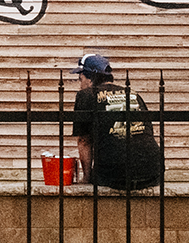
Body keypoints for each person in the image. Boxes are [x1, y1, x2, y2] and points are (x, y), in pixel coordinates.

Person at [69, 53, 162, 191]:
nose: (80, 84)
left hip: (114, 175)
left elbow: (84, 141)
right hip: (152, 173)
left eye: (80, 78)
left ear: (89, 78)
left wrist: (87, 179)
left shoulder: (86, 95)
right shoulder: (133, 93)